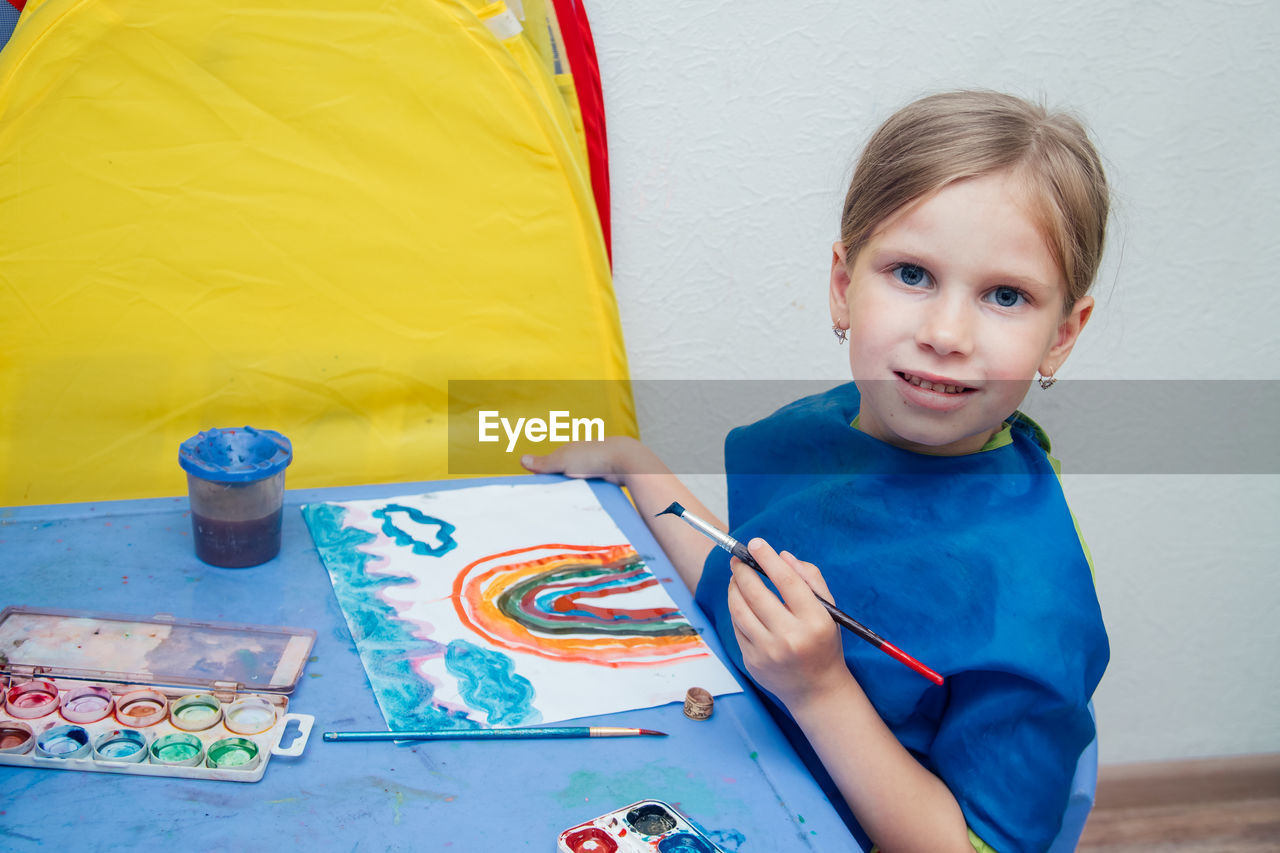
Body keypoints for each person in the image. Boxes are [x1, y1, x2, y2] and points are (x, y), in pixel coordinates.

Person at [523, 90, 1110, 853]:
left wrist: (821, 689)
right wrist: (637, 465)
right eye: (911, 274)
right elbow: (745, 594)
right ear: (843, 283)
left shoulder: (1032, 597)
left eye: (1006, 295)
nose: (945, 333)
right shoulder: (824, 429)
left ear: (1061, 335)